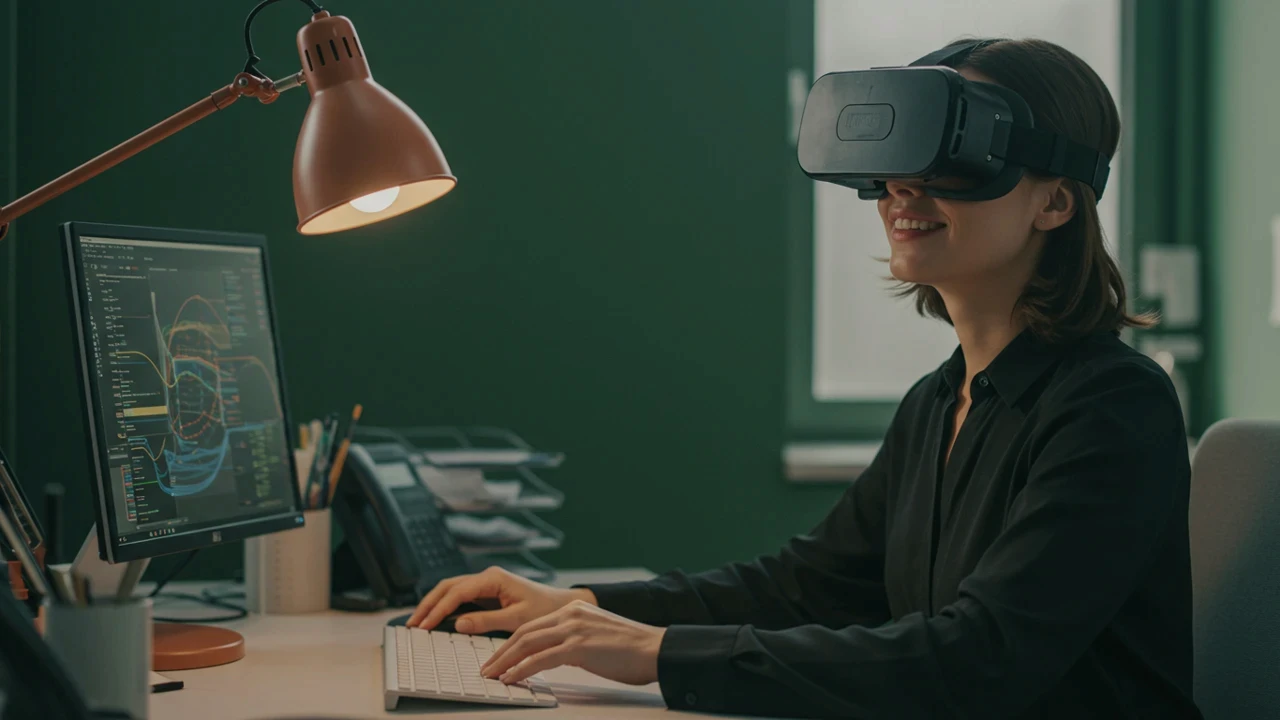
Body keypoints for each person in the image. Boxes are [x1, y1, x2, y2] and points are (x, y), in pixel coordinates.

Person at [406, 37, 1204, 719]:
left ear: (1055, 203)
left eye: (951, 159)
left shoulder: (1113, 406)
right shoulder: (943, 398)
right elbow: (806, 587)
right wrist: (583, 605)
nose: (902, 189)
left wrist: (663, 655)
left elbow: (980, 656)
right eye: (896, 163)